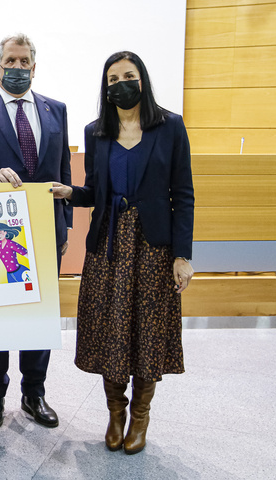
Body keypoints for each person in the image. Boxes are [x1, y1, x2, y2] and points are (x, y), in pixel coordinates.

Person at [51, 51, 194, 454]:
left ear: (142, 81)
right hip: (109, 246)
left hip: (153, 248)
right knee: (109, 331)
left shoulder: (170, 127)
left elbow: (183, 195)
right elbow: (97, 192)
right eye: (112, 79)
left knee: (146, 332)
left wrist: (182, 255)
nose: (120, 84)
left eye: (128, 76)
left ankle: (140, 417)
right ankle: (116, 412)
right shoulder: (97, 130)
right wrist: (70, 193)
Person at [0, 33, 72, 430]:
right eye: (11, 61)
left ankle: (34, 393)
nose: (18, 68)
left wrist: (67, 224)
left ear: (34, 67)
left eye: (25, 62)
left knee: (39, 315)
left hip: (46, 228)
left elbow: (63, 171)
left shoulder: (56, 109)